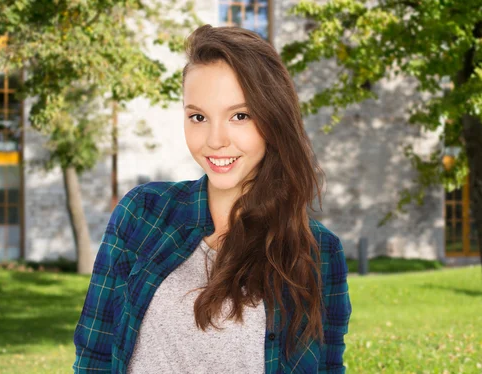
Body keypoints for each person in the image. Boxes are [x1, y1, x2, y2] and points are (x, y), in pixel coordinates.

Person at [72, 24, 352, 373]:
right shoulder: (143, 213)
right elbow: (94, 353)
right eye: (198, 117)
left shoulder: (319, 253)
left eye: (240, 116)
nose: (215, 140)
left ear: (273, 119)